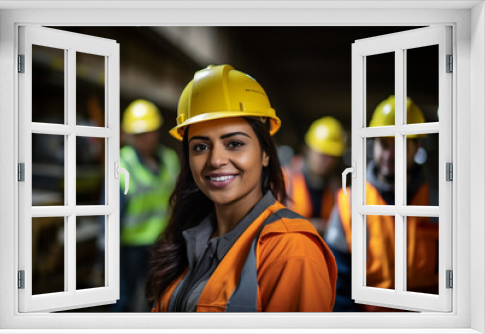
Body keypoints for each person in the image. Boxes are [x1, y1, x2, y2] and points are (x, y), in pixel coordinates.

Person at [145, 64, 337, 312]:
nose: (215, 160)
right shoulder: (190, 236)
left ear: (265, 152)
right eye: (200, 147)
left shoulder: (290, 249)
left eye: (234, 143)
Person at [324, 95, 439, 312]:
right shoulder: (349, 203)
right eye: (383, 143)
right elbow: (339, 285)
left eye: (399, 143)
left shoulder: (439, 203)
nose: (389, 154)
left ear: (416, 147)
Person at [111, 99, 180, 312]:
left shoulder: (169, 160)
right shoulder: (122, 164)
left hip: (161, 244)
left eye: (149, 132)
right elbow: (110, 214)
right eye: (139, 134)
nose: (145, 139)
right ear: (128, 134)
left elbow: (178, 200)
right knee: (123, 298)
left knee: (157, 297)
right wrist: (105, 253)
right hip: (130, 247)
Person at [284, 117, 346, 235]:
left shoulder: (336, 187)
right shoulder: (285, 179)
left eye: (332, 156)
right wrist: (308, 225)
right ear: (307, 149)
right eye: (322, 154)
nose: (327, 161)